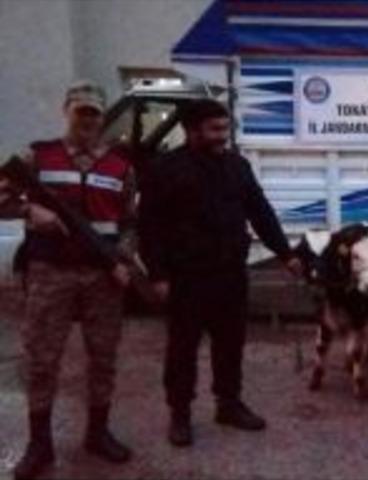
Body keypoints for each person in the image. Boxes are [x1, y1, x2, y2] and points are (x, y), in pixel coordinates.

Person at [138, 99, 301, 447]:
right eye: (214, 129)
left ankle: (228, 404)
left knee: (230, 345)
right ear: (191, 130)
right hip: (186, 279)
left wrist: (286, 253)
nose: (222, 137)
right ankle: (179, 414)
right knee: (182, 349)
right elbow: (149, 228)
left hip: (229, 275)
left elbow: (260, 212)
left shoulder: (237, 166)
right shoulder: (165, 169)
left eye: (225, 129)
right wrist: (158, 275)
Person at [0, 81, 136, 480]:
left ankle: (97, 433)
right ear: (66, 111)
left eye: (94, 112)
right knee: (42, 358)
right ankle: (39, 445)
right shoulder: (37, 156)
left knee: (104, 358)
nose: (88, 120)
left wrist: (124, 256)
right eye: (81, 111)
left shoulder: (120, 165)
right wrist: (28, 212)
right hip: (50, 273)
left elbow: (129, 221)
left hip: (102, 277)